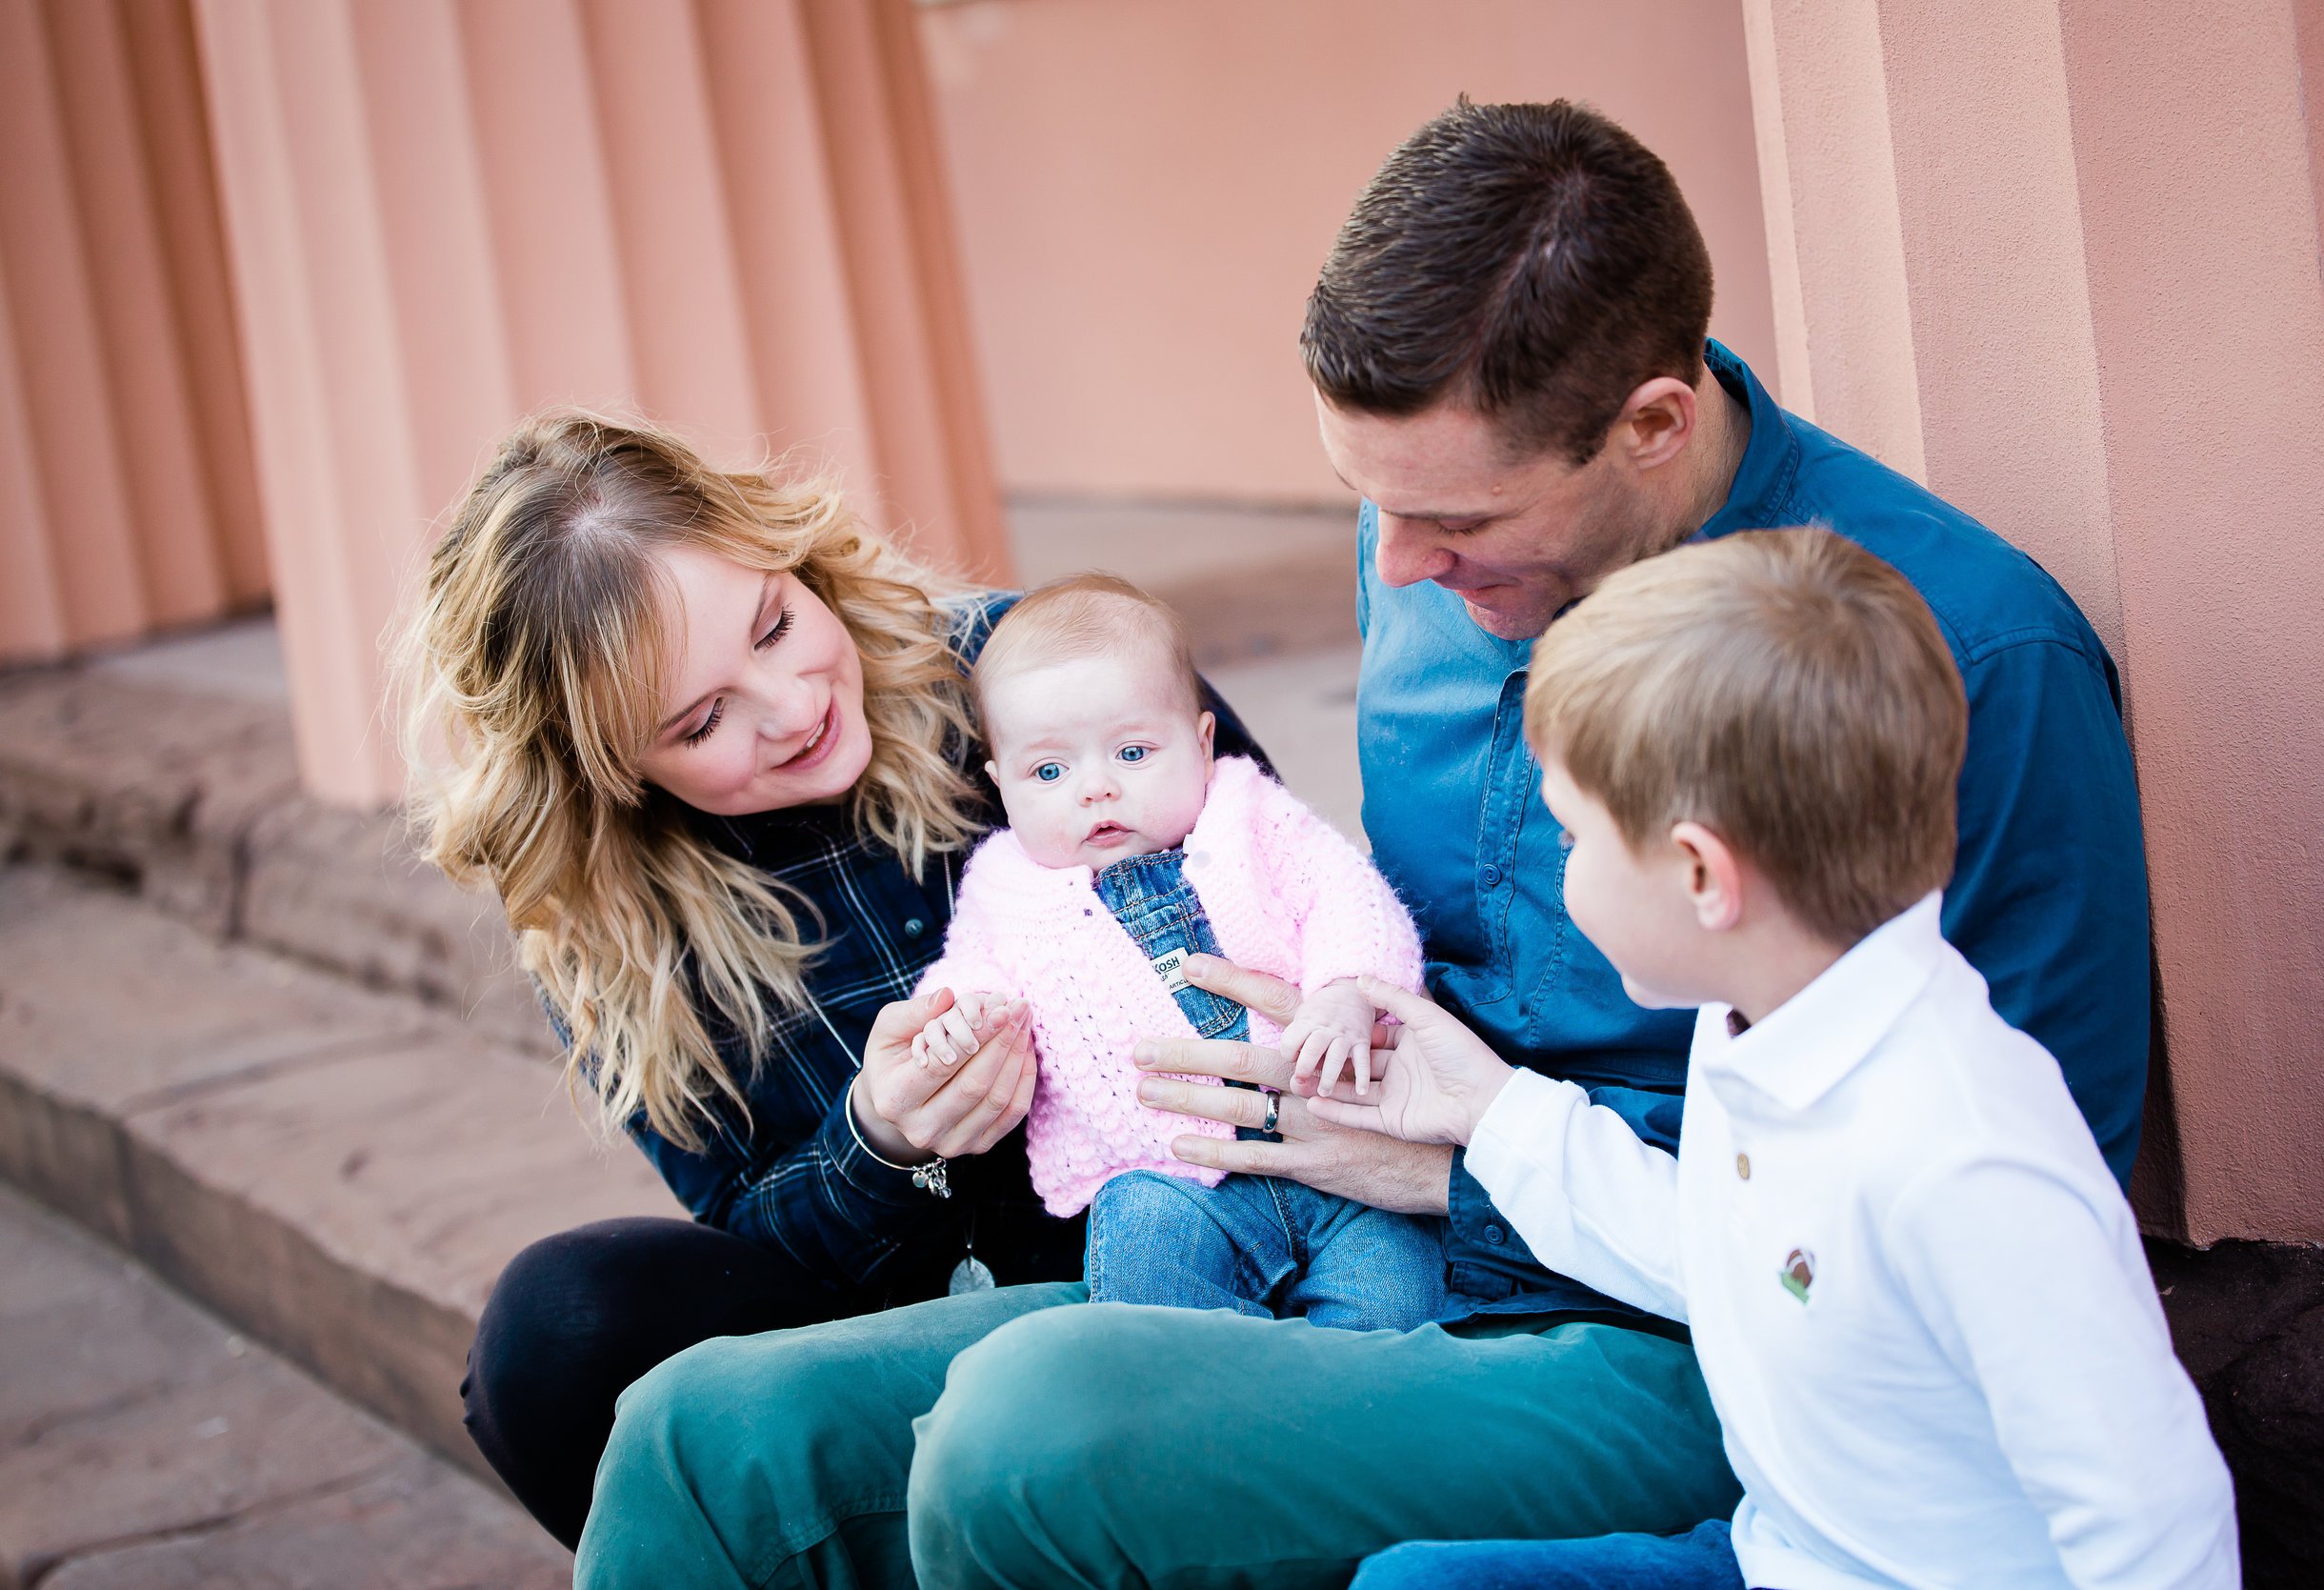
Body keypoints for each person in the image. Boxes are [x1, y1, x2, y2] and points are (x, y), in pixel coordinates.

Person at [572, 98, 2152, 1590]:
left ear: (1652, 425)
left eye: (1455, 526)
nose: (1395, 564)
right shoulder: (1421, 524)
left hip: (1677, 1328)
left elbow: (2011, 1211)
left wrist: (1465, 1166)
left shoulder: (1971, 654)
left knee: (1034, 1426)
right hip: (1324, 1208)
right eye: (1363, 501)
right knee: (704, 1438)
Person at [402, 412, 1263, 1545]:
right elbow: (746, 1232)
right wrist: (880, 1141)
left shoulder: (1029, 682)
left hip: (1175, 1246)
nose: (794, 707)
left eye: (773, 623)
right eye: (703, 719)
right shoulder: (609, 919)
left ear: (786, 548)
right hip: (902, 1321)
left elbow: (1277, 884)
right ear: (609, 771)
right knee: (553, 1332)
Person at [1331, 529, 2234, 1588]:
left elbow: (2152, 1516)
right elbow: (1716, 1252)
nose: (1563, 870)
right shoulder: (1759, 1017)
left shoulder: (1965, 1155)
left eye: (1573, 841)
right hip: (1778, 1556)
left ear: (1702, 874)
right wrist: (1489, 1111)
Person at [914, 574, 1441, 1330]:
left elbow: (1346, 894)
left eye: (1132, 751)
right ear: (1002, 786)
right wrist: (955, 1018)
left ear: (1200, 742)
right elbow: (970, 975)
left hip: (1342, 1157)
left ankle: (1354, 1401)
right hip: (1165, 1176)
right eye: (1050, 771)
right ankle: (1198, 1399)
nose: (1095, 789)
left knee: (1395, 1291)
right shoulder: (1004, 890)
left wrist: (1345, 990)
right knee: (1143, 1275)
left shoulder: (1249, 818)